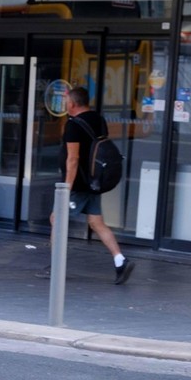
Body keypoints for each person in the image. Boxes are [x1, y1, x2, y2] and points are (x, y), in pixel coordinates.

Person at [43, 86, 134, 285]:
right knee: (96, 223)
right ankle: (120, 259)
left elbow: (73, 159)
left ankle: (56, 267)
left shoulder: (74, 125)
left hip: (78, 185)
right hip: (94, 181)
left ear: (73, 103)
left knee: (57, 220)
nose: (65, 105)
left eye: (67, 101)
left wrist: (66, 189)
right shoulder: (98, 119)